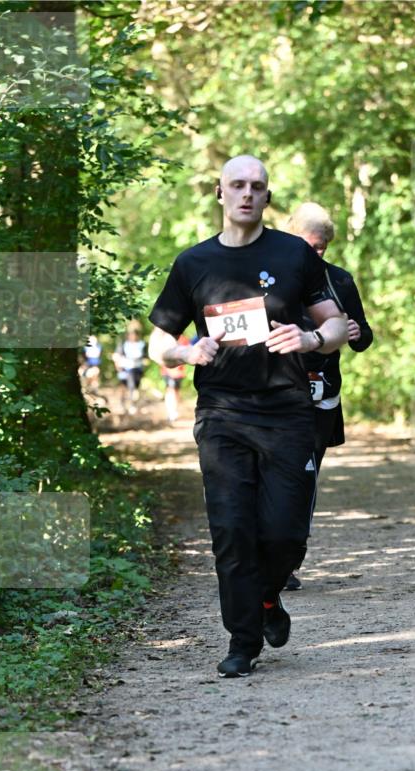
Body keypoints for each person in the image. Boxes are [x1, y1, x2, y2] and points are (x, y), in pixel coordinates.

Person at [148, 155, 348, 678]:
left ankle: (265, 598)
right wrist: (186, 353)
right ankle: (242, 641)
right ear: (219, 193)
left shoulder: (295, 255)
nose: (246, 194)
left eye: (257, 186)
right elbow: (159, 341)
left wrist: (310, 338)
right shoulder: (193, 263)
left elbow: (336, 324)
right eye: (237, 185)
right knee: (232, 530)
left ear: (267, 196)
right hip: (222, 413)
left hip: (287, 412)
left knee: (284, 535)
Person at [284, 202, 374, 591]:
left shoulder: (339, 280)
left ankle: (288, 561)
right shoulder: (270, 275)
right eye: (309, 245)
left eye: (322, 248)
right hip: (276, 390)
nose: (315, 254)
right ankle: (263, 553)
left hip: (322, 394)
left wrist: (355, 333)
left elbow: (363, 337)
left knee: (305, 478)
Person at [113, 319, 147, 413]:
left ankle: (132, 404)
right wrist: (118, 367)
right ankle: (124, 404)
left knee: (133, 387)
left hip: (137, 369)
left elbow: (145, 357)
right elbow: (117, 356)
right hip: (125, 369)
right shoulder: (123, 344)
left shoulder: (142, 344)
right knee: (125, 387)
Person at [161, 333, 190, 424]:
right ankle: (171, 412)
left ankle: (174, 410)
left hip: (179, 373)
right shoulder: (166, 338)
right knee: (170, 390)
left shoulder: (184, 339)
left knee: (176, 392)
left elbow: (189, 354)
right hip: (168, 371)